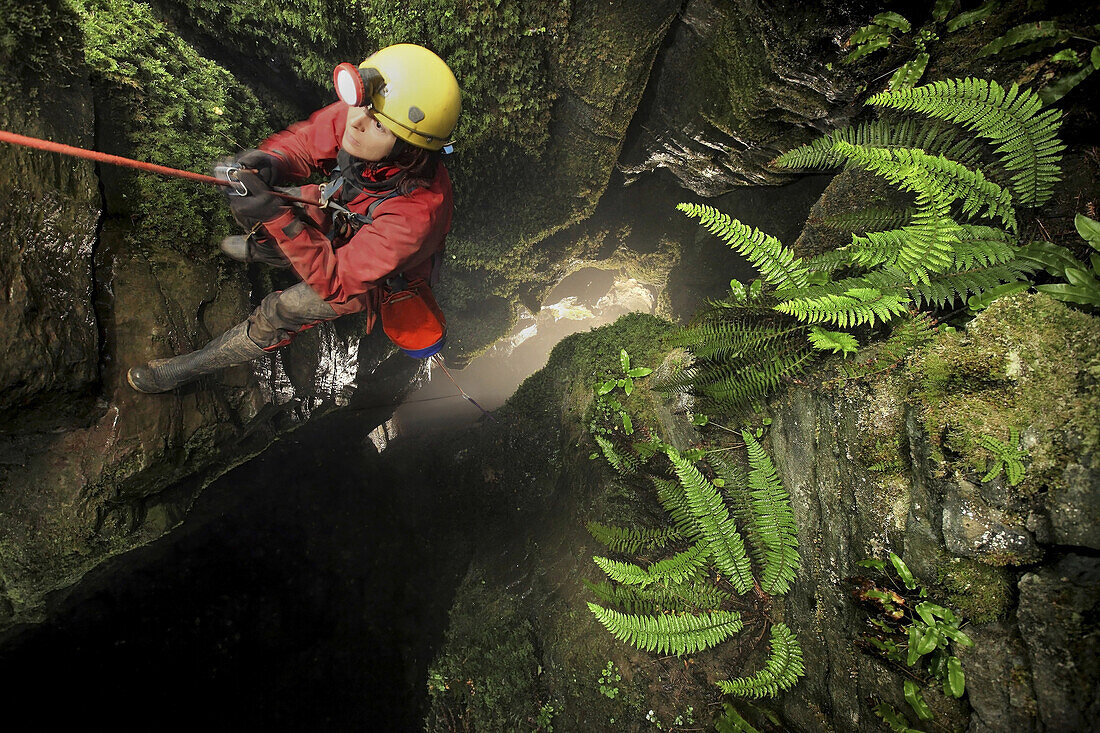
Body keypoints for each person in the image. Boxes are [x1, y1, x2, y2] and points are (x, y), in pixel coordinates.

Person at [127, 43, 460, 393]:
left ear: (408, 150)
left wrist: (275, 216)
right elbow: (308, 142)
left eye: (378, 126)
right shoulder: (364, 114)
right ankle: (267, 249)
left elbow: (336, 280)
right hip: (345, 211)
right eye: (360, 107)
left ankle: (186, 369)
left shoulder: (417, 216)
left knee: (282, 310)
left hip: (368, 275)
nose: (356, 123)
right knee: (291, 204)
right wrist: (274, 161)